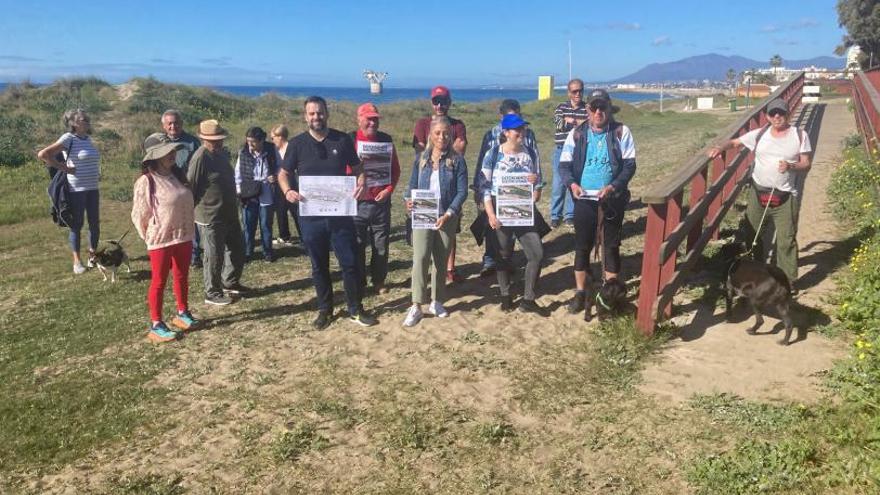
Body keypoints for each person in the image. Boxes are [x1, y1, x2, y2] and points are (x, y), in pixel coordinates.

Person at [278, 96, 378, 330]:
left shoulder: (342, 140)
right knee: (318, 265)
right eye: (311, 113)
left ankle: (355, 308)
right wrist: (287, 191)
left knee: (350, 263)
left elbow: (358, 168)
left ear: (327, 114)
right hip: (311, 217)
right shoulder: (296, 144)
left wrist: (361, 182)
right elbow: (283, 173)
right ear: (305, 117)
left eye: (320, 113)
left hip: (340, 215)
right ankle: (325, 309)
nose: (316, 117)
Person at [707, 98, 811, 287]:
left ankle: (787, 281)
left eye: (780, 112)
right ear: (768, 117)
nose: (777, 116)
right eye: (773, 113)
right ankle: (759, 275)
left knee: (786, 240)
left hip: (785, 196)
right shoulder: (760, 133)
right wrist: (720, 147)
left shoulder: (799, 135)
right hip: (758, 193)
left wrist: (790, 165)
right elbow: (736, 142)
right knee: (752, 235)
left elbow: (806, 163)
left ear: (787, 113)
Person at [559, 89, 637, 314]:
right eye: (594, 108)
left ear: (609, 108)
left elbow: (630, 165)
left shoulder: (621, 132)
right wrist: (572, 185)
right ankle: (581, 294)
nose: (599, 112)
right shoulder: (576, 133)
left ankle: (611, 295)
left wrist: (613, 186)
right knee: (582, 247)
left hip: (612, 199)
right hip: (584, 199)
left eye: (603, 107)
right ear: (587, 110)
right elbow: (564, 165)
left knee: (611, 247)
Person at [131, 142, 201, 342]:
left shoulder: (177, 176)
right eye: (167, 152)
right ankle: (156, 324)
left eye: (173, 152)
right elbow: (139, 213)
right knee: (159, 281)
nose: (172, 155)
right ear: (155, 157)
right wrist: (150, 235)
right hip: (161, 239)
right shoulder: (146, 181)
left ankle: (182, 312)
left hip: (183, 235)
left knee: (181, 275)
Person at [403, 117, 468, 327]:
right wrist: (408, 201)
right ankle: (416, 305)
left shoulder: (457, 161)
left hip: (446, 216)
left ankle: (437, 301)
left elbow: (462, 191)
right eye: (438, 133)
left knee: (441, 261)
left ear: (451, 135)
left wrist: (449, 213)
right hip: (423, 214)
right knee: (420, 258)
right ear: (431, 134)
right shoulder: (421, 159)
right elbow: (411, 185)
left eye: (447, 133)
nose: (442, 137)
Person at [478, 114, 545, 313]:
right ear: (506, 133)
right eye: (517, 130)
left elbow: (538, 188)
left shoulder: (530, 153)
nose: (521, 133)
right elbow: (484, 187)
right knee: (503, 254)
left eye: (523, 129)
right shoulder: (493, 154)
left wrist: (534, 186)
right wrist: (490, 214)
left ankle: (528, 299)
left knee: (537, 254)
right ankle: (506, 295)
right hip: (500, 209)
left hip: (524, 210)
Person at [474, 99, 540, 277]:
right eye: (511, 118)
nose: (519, 129)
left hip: (521, 192)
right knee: (494, 230)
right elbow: (483, 163)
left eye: (518, 116)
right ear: (501, 117)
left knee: (517, 227)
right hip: (496, 192)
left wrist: (535, 182)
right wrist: (479, 192)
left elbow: (534, 163)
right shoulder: (490, 135)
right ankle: (490, 261)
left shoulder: (529, 136)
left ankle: (508, 262)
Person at [187, 119, 248, 306]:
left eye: (220, 139)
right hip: (210, 215)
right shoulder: (200, 157)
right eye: (214, 140)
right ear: (205, 139)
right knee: (214, 255)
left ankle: (229, 281)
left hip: (229, 211)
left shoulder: (221, 154)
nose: (219, 143)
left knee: (237, 248)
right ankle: (212, 292)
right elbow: (191, 187)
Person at [412, 86, 467, 283]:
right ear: (431, 102)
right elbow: (419, 151)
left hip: (449, 186)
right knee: (424, 237)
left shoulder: (458, 124)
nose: (440, 105)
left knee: (449, 231)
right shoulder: (422, 123)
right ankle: (426, 273)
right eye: (436, 101)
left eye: (443, 101)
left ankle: (450, 268)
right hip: (426, 187)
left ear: (449, 102)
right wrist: (444, 148)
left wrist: (437, 147)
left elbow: (461, 148)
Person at [37, 108, 101, 274]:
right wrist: (63, 168)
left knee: (95, 224)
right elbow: (43, 154)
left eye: (86, 117)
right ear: (73, 123)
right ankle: (77, 262)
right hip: (76, 189)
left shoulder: (88, 139)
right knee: (76, 225)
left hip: (93, 188)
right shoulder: (68, 138)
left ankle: (92, 256)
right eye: (82, 119)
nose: (86, 120)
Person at [144, 109, 204, 267]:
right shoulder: (158, 142)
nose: (173, 126)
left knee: (190, 220)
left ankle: (194, 254)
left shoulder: (192, 142)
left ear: (181, 123)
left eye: (176, 122)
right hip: (165, 191)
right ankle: (169, 251)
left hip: (186, 187)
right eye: (169, 123)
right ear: (163, 125)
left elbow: (198, 166)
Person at [351, 103, 400, 294]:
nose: (372, 122)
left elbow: (395, 170)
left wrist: (389, 189)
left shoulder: (386, 140)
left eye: (375, 118)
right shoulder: (350, 140)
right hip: (357, 204)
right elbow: (342, 171)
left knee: (381, 246)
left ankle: (378, 281)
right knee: (357, 245)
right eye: (368, 118)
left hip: (381, 203)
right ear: (359, 119)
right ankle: (359, 281)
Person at [550, 79, 589, 229]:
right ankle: (555, 215)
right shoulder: (561, 107)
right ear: (569, 93)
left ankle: (570, 215)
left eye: (580, 90)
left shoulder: (587, 108)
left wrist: (570, 120)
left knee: (574, 182)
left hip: (579, 151)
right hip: (561, 150)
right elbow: (559, 124)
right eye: (574, 91)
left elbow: (588, 126)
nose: (578, 94)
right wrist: (578, 122)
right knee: (558, 184)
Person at [235, 126, 277, 262]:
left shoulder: (271, 150)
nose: (250, 144)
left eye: (253, 141)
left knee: (266, 224)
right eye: (248, 141)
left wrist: (274, 176)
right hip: (249, 192)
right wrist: (240, 192)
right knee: (249, 224)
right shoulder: (243, 153)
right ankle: (248, 252)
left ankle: (268, 251)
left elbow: (280, 167)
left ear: (262, 140)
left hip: (266, 192)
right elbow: (238, 174)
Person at [270, 124, 302, 246]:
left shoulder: (291, 148)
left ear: (280, 137)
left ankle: (303, 236)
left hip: (292, 183)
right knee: (281, 210)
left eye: (273, 138)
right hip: (279, 184)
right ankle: (284, 236)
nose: (272, 141)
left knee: (296, 211)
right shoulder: (275, 150)